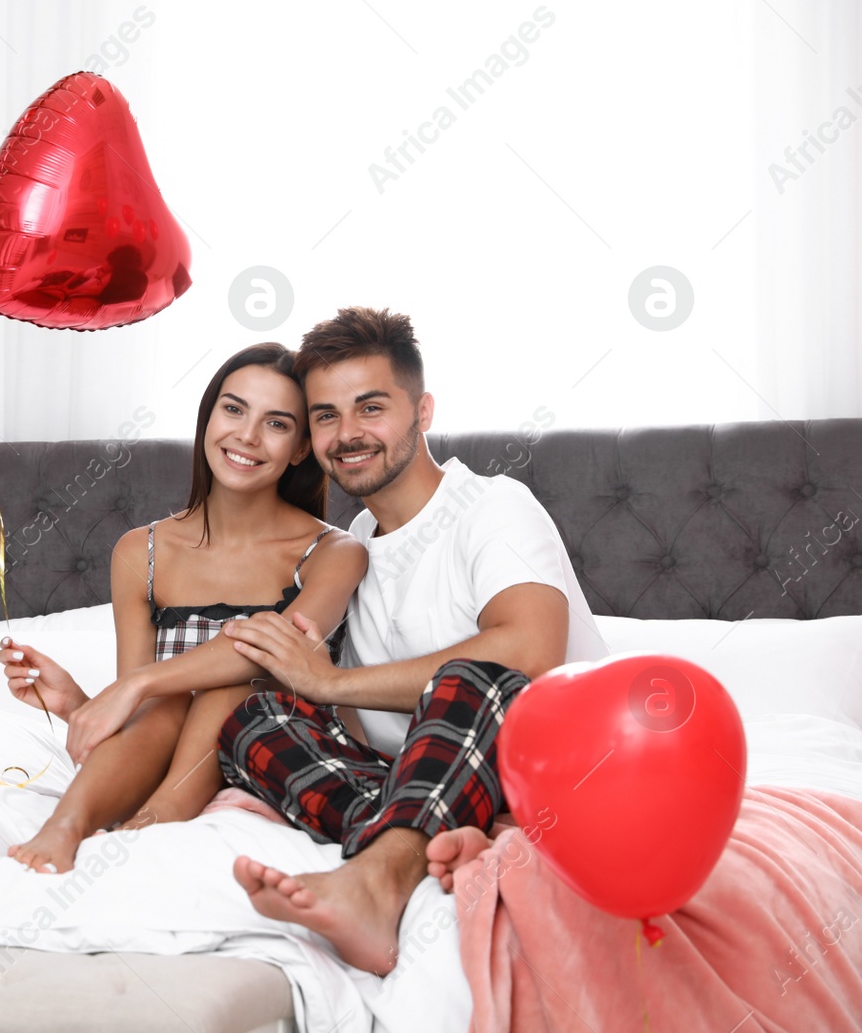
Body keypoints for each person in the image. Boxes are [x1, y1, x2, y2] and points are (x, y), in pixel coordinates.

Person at [217, 307, 607, 976]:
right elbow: (333, 711)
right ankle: (427, 834)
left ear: (422, 410)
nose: (349, 433)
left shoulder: (492, 505)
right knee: (255, 720)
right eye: (326, 415)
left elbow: (530, 651)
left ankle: (377, 883)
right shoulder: (349, 551)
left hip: (546, 774)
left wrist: (331, 681)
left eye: (371, 407)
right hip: (420, 784)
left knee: (473, 676)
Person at [0, 343, 368, 874]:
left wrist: (136, 685)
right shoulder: (139, 552)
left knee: (236, 682)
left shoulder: (335, 552)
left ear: (302, 448)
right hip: (178, 767)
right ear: (208, 415)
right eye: (233, 409)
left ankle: (159, 820)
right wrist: (82, 705)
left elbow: (266, 649)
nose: (247, 436)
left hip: (285, 755)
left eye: (277, 424)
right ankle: (66, 825)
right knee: (166, 698)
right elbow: (146, 719)